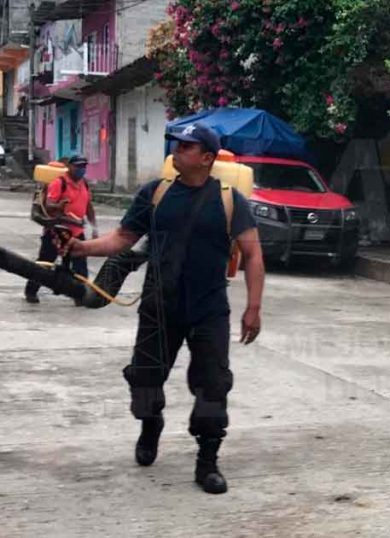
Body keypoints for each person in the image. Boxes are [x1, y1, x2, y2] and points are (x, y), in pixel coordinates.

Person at [63, 123, 265, 494]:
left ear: (207, 157)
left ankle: (207, 462)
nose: (177, 149)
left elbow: (252, 254)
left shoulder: (229, 200)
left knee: (213, 385)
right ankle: (150, 423)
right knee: (144, 381)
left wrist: (253, 307)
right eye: (176, 143)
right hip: (159, 306)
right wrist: (82, 249)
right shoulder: (154, 194)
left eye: (187, 146)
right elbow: (122, 239)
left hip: (208, 308)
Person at [25, 155, 97, 305]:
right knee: (45, 263)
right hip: (56, 232)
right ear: (70, 167)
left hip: (77, 233)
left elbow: (88, 206)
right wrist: (59, 206)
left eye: (83, 166)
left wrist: (94, 226)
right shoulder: (60, 183)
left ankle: (79, 296)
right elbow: (50, 204)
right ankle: (31, 291)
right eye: (78, 166)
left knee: (80, 267)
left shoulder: (84, 184)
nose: (81, 170)